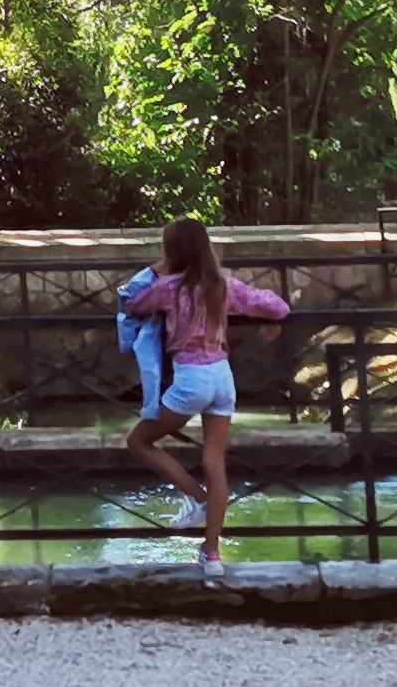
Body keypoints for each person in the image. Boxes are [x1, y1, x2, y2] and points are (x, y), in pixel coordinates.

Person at [120, 215, 289, 582]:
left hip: (190, 379)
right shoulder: (223, 286)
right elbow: (274, 304)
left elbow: (130, 302)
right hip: (222, 378)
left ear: (173, 252)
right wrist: (273, 321)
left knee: (140, 440)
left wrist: (157, 268)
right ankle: (211, 554)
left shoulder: (169, 288)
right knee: (215, 462)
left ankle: (196, 497)